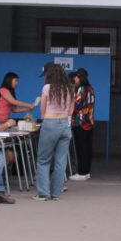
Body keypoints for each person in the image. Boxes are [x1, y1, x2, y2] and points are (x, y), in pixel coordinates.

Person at [32, 63, 74, 201]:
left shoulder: (47, 88)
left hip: (50, 123)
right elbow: (71, 109)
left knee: (44, 159)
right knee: (61, 161)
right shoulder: (69, 88)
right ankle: (56, 193)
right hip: (65, 125)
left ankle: (43, 193)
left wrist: (45, 117)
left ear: (49, 74)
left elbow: (42, 108)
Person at [69, 68, 96, 181]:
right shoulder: (91, 89)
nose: (74, 79)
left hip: (80, 122)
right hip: (89, 121)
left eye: (75, 77)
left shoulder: (81, 89)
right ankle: (86, 172)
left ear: (79, 77)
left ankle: (81, 172)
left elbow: (77, 105)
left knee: (81, 148)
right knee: (87, 147)